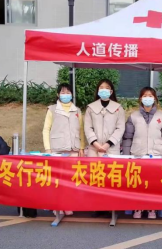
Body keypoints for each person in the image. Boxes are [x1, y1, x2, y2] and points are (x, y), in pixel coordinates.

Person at [122, 87, 162, 220]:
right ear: (140, 99)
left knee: (153, 184)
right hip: (137, 154)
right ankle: (138, 207)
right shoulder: (133, 117)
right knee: (138, 183)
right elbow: (127, 138)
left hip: (156, 155)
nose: (147, 98)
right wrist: (126, 156)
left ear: (155, 99)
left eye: (150, 96)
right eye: (145, 96)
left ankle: (152, 208)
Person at [42, 84, 84, 222]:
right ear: (58, 94)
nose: (65, 94)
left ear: (72, 94)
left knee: (70, 179)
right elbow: (46, 129)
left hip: (73, 149)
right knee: (57, 180)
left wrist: (82, 147)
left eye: (68, 92)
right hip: (57, 149)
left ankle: (67, 204)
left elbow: (81, 130)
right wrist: (48, 149)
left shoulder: (77, 110)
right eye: (63, 92)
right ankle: (57, 206)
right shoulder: (52, 109)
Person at [84, 79, 126, 157]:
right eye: (101, 88)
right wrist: (96, 144)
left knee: (111, 165)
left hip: (112, 148)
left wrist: (108, 144)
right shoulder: (90, 108)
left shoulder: (118, 108)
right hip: (94, 148)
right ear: (98, 91)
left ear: (111, 91)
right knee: (94, 165)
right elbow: (88, 128)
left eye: (107, 88)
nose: (104, 90)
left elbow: (120, 129)